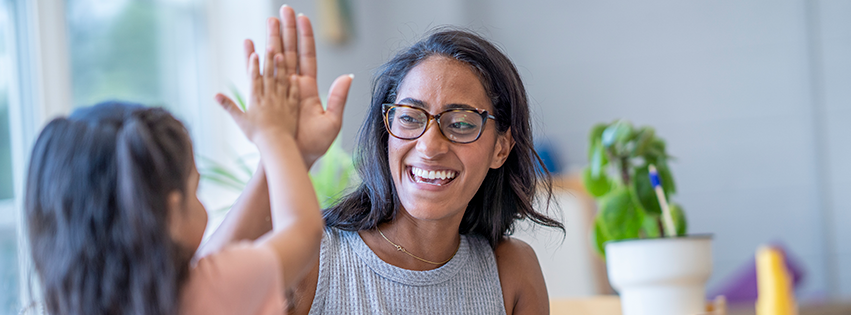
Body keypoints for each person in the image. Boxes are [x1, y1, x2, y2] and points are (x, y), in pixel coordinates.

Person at [211, 5, 563, 315]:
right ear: (387, 132)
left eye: (459, 123)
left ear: (501, 149)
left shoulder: (511, 272)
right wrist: (287, 152)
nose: (429, 146)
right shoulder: (316, 261)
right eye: (410, 117)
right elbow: (196, 301)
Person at [24, 38, 338, 314]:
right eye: (195, 189)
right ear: (171, 213)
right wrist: (274, 135)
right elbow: (304, 231)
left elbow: (208, 266)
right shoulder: (215, 292)